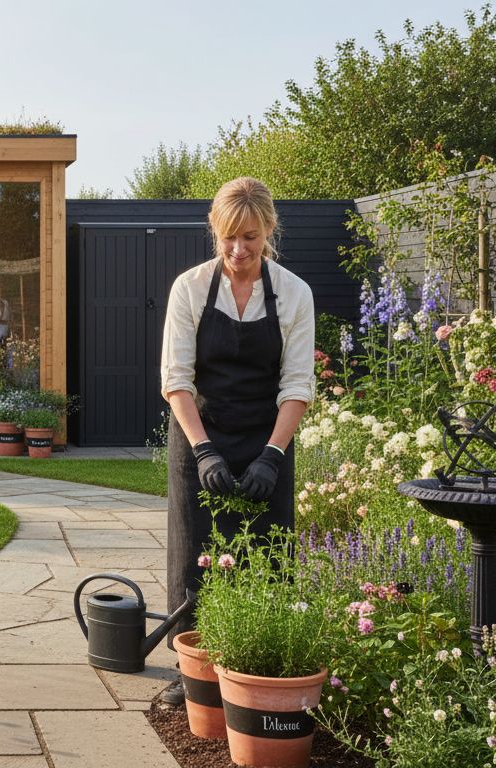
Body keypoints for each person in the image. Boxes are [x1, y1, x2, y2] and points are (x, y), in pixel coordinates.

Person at [156, 177, 315, 705]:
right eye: (228, 237)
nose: (237, 250)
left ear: (269, 229)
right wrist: (203, 450)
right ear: (213, 230)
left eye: (249, 237)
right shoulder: (191, 288)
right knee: (193, 557)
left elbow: (297, 385)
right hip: (200, 431)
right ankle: (194, 676)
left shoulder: (293, 292)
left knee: (266, 555)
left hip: (267, 435)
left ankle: (257, 670)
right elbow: (176, 379)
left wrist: (273, 455)